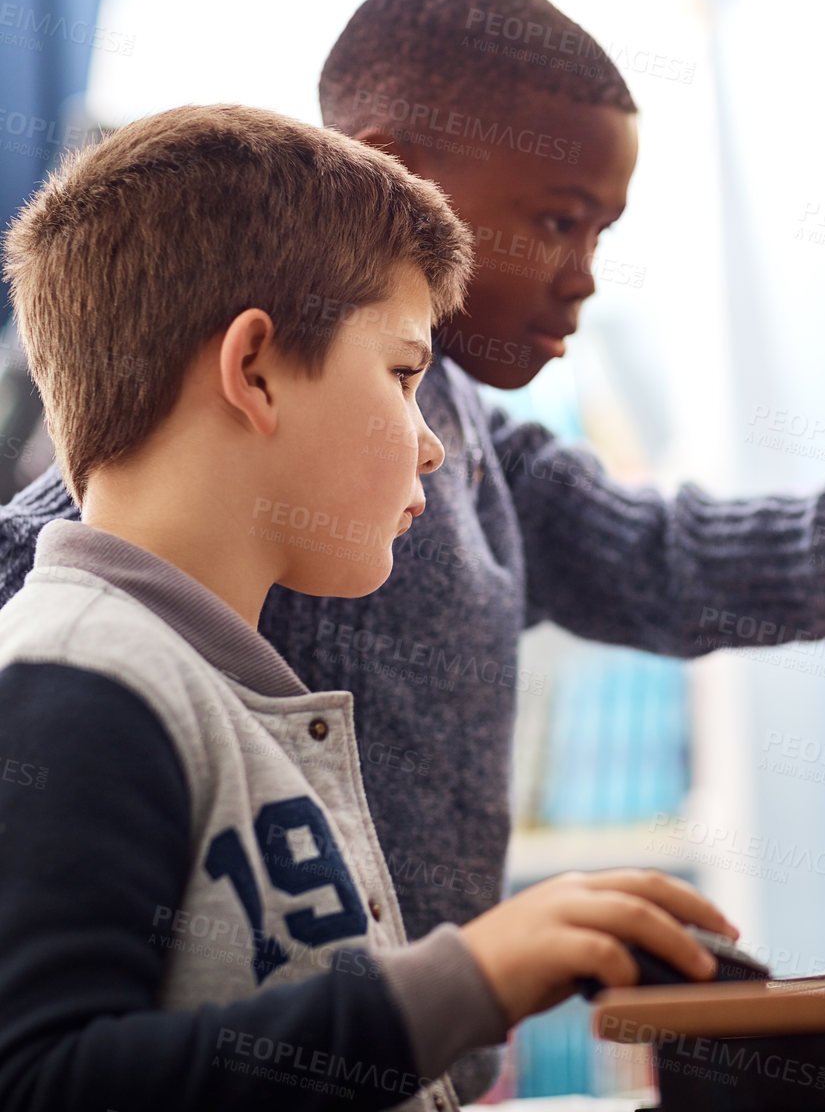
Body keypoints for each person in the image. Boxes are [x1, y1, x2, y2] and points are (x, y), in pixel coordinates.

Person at [0, 0, 825, 1100]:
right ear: (397, 172)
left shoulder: (465, 443)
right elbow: (89, 542)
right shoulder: (191, 525)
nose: (583, 276)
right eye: (561, 220)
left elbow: (666, 559)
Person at [0, 103, 739, 1112]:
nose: (429, 442)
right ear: (254, 370)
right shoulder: (80, 681)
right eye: (402, 375)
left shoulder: (227, 693)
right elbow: (44, 1082)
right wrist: (462, 982)